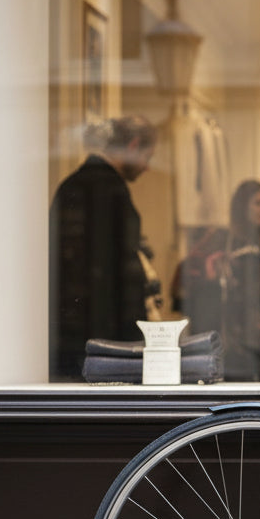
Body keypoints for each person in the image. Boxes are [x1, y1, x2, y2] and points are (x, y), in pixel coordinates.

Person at [49, 114, 159, 380]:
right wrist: (137, 347)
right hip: (108, 349)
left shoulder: (69, 186)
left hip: (65, 340)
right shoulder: (114, 193)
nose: (147, 167)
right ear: (133, 145)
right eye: (147, 157)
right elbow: (125, 280)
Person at [174, 179, 260, 381]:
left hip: (258, 339)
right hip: (233, 341)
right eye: (258, 203)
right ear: (242, 206)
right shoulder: (224, 242)